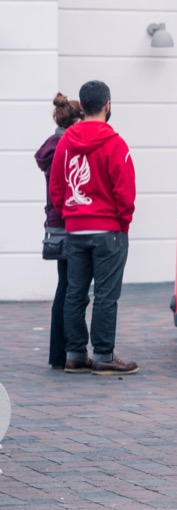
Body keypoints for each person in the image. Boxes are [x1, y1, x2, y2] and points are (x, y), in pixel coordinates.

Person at [50, 80, 138, 375]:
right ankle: (103, 354)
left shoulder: (65, 142)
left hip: (75, 229)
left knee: (75, 293)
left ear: (82, 106)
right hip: (108, 230)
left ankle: (75, 354)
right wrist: (122, 224)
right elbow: (125, 192)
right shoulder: (115, 143)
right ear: (107, 105)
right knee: (105, 295)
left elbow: (57, 186)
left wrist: (70, 214)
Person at [34, 93, 84, 370]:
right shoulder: (64, 149)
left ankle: (60, 353)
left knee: (65, 286)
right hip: (66, 224)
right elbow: (62, 192)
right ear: (74, 121)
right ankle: (61, 353)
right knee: (69, 289)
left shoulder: (53, 146)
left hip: (56, 224)